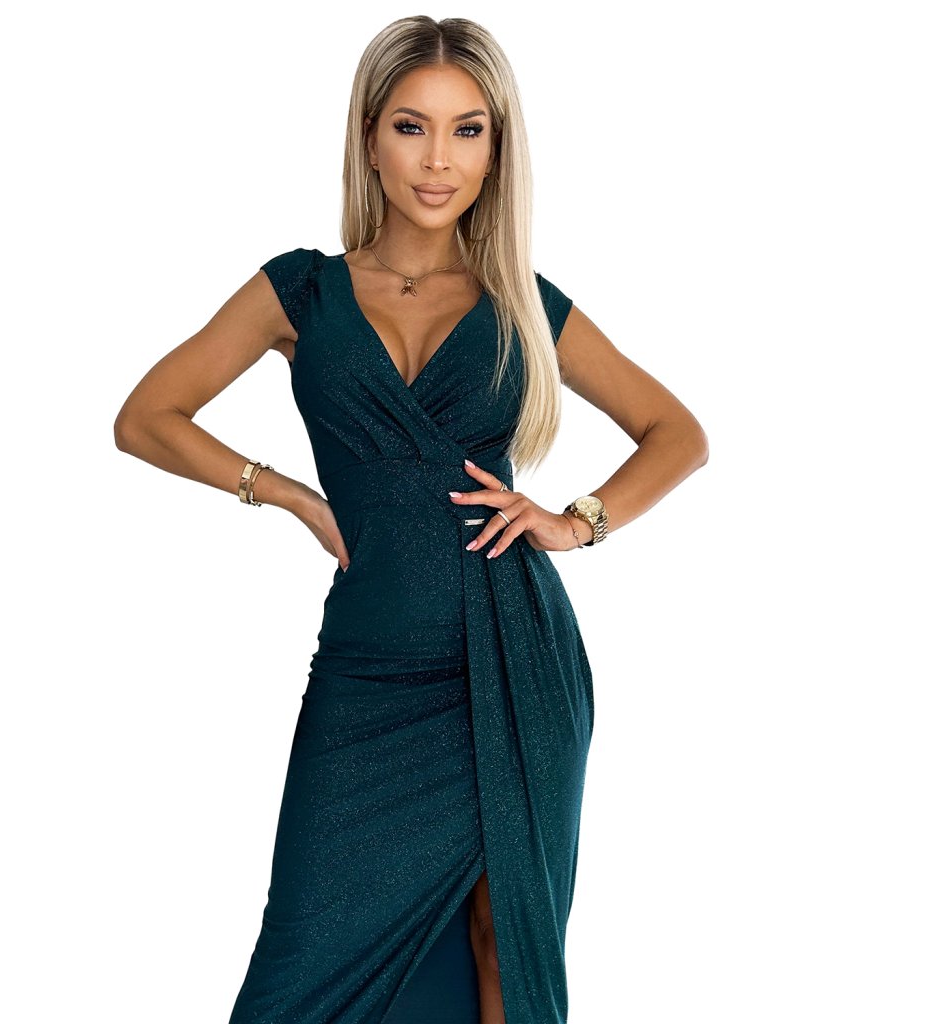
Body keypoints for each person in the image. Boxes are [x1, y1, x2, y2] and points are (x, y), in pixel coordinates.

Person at [114, 15, 707, 1024]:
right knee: (300, 964)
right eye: (411, 126)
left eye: (467, 130)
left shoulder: (525, 302)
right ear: (369, 136)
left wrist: (575, 521)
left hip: (512, 656)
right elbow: (145, 418)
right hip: (368, 668)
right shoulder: (300, 290)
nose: (438, 160)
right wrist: (289, 494)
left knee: (501, 942)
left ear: (497, 149)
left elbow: (677, 432)